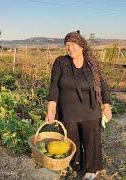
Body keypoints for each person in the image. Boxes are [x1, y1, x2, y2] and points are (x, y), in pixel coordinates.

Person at [45, 31, 112, 179]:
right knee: (71, 141)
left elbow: (103, 85)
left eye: (73, 44)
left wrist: (106, 105)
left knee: (91, 141)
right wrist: (51, 110)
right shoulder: (60, 62)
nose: (70, 48)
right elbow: (54, 88)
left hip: (90, 110)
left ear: (81, 46)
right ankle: (77, 167)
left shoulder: (92, 64)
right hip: (68, 111)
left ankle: (91, 170)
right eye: (67, 45)